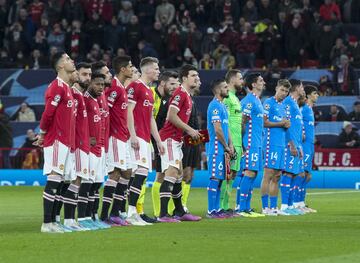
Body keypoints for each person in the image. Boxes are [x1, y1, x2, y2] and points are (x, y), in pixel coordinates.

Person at [36, 51, 76, 233]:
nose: (71, 61)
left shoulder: (67, 87)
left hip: (66, 141)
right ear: (60, 66)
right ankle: (47, 223)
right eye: (67, 59)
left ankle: (55, 221)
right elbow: (48, 114)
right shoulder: (57, 87)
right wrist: (42, 133)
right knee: (54, 178)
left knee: (61, 180)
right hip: (56, 139)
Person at [157, 64, 201, 222]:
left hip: (176, 140)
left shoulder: (187, 96)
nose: (197, 78)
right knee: (171, 173)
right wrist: (189, 130)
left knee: (178, 175)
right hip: (169, 138)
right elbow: (171, 116)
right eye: (193, 75)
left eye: (197, 76)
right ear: (184, 78)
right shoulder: (180, 93)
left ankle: (179, 211)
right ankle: (163, 214)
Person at [126, 57, 165, 226]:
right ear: (147, 70)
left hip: (144, 138)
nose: (158, 71)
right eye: (156, 69)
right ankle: (131, 212)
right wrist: (132, 134)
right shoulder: (135, 86)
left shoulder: (150, 91)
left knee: (140, 174)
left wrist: (158, 140)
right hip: (135, 137)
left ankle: (133, 212)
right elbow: (128, 111)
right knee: (138, 173)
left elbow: (150, 118)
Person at [100, 55, 133, 226]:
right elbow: (105, 110)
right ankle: (106, 215)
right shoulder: (115, 88)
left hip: (122, 136)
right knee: (115, 173)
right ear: (123, 69)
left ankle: (116, 211)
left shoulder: (121, 87)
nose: (132, 69)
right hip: (115, 136)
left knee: (127, 172)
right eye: (130, 66)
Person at [236, 73, 266, 217]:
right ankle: (241, 208)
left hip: (257, 142)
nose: (263, 82)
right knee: (249, 172)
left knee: (252, 174)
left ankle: (245, 207)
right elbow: (242, 121)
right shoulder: (249, 100)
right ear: (253, 84)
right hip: (249, 143)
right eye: (260, 80)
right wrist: (241, 144)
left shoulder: (257, 100)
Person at [151, 71, 179, 218]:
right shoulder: (151, 94)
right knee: (160, 175)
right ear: (163, 83)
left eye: (177, 83)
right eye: (172, 84)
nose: (175, 87)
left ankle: (167, 210)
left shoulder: (168, 99)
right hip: (153, 140)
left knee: (163, 174)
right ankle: (157, 211)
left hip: (160, 140)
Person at [260, 79, 290, 216]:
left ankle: (274, 207)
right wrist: (281, 123)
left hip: (281, 144)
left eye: (286, 91)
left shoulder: (284, 106)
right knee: (268, 174)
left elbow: (285, 124)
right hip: (271, 143)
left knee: (277, 176)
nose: (284, 93)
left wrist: (286, 125)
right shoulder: (268, 103)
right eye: (282, 90)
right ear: (277, 88)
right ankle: (265, 207)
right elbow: (264, 123)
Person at [206, 79, 234, 218]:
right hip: (216, 149)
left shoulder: (223, 106)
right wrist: (226, 146)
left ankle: (217, 209)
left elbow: (226, 128)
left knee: (221, 179)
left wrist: (231, 144)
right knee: (215, 178)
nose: (227, 89)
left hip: (223, 149)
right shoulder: (214, 106)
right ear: (218, 90)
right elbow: (217, 130)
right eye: (225, 87)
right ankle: (211, 210)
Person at [280, 79, 305, 215]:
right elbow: (286, 124)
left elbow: (296, 128)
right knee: (288, 173)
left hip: (297, 144)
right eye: (301, 87)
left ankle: (290, 205)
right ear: (296, 88)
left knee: (294, 173)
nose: (303, 89)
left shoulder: (295, 103)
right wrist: (291, 144)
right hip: (290, 145)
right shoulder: (288, 103)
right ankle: (284, 206)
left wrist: (299, 145)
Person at [222, 69, 244, 214]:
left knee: (233, 174)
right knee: (226, 174)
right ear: (232, 80)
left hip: (237, 142)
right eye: (240, 78)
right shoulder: (227, 98)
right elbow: (225, 123)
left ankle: (225, 205)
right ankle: (221, 206)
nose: (242, 81)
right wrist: (229, 143)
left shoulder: (235, 98)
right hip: (230, 142)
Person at [297, 85, 319, 213]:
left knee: (308, 175)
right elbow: (299, 123)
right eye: (315, 93)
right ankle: (297, 203)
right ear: (309, 95)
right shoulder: (304, 109)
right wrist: (303, 134)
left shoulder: (310, 110)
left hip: (310, 145)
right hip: (304, 145)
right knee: (302, 174)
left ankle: (301, 203)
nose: (317, 96)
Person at [181, 79, 201, 213]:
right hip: (185, 139)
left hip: (194, 140)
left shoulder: (191, 98)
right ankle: (177, 205)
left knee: (190, 174)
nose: (199, 81)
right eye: (195, 78)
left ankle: (183, 204)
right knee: (184, 173)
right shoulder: (182, 96)